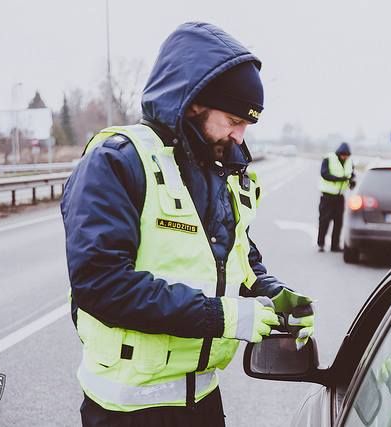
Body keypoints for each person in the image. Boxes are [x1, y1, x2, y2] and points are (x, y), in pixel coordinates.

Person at [61, 22, 315, 426]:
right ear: (194, 102)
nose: (240, 135)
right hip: (127, 410)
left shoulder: (220, 172)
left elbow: (236, 262)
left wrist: (274, 294)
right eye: (233, 119)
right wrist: (224, 317)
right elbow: (101, 283)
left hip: (203, 401)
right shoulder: (118, 161)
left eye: (248, 124)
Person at [317, 142, 355, 252]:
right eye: (343, 155)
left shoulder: (349, 162)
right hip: (327, 197)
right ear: (339, 154)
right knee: (324, 221)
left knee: (338, 222)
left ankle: (335, 246)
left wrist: (352, 182)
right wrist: (341, 179)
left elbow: (352, 175)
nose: (345, 157)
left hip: (339, 197)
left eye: (347, 155)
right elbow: (324, 174)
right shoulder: (328, 159)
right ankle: (321, 244)